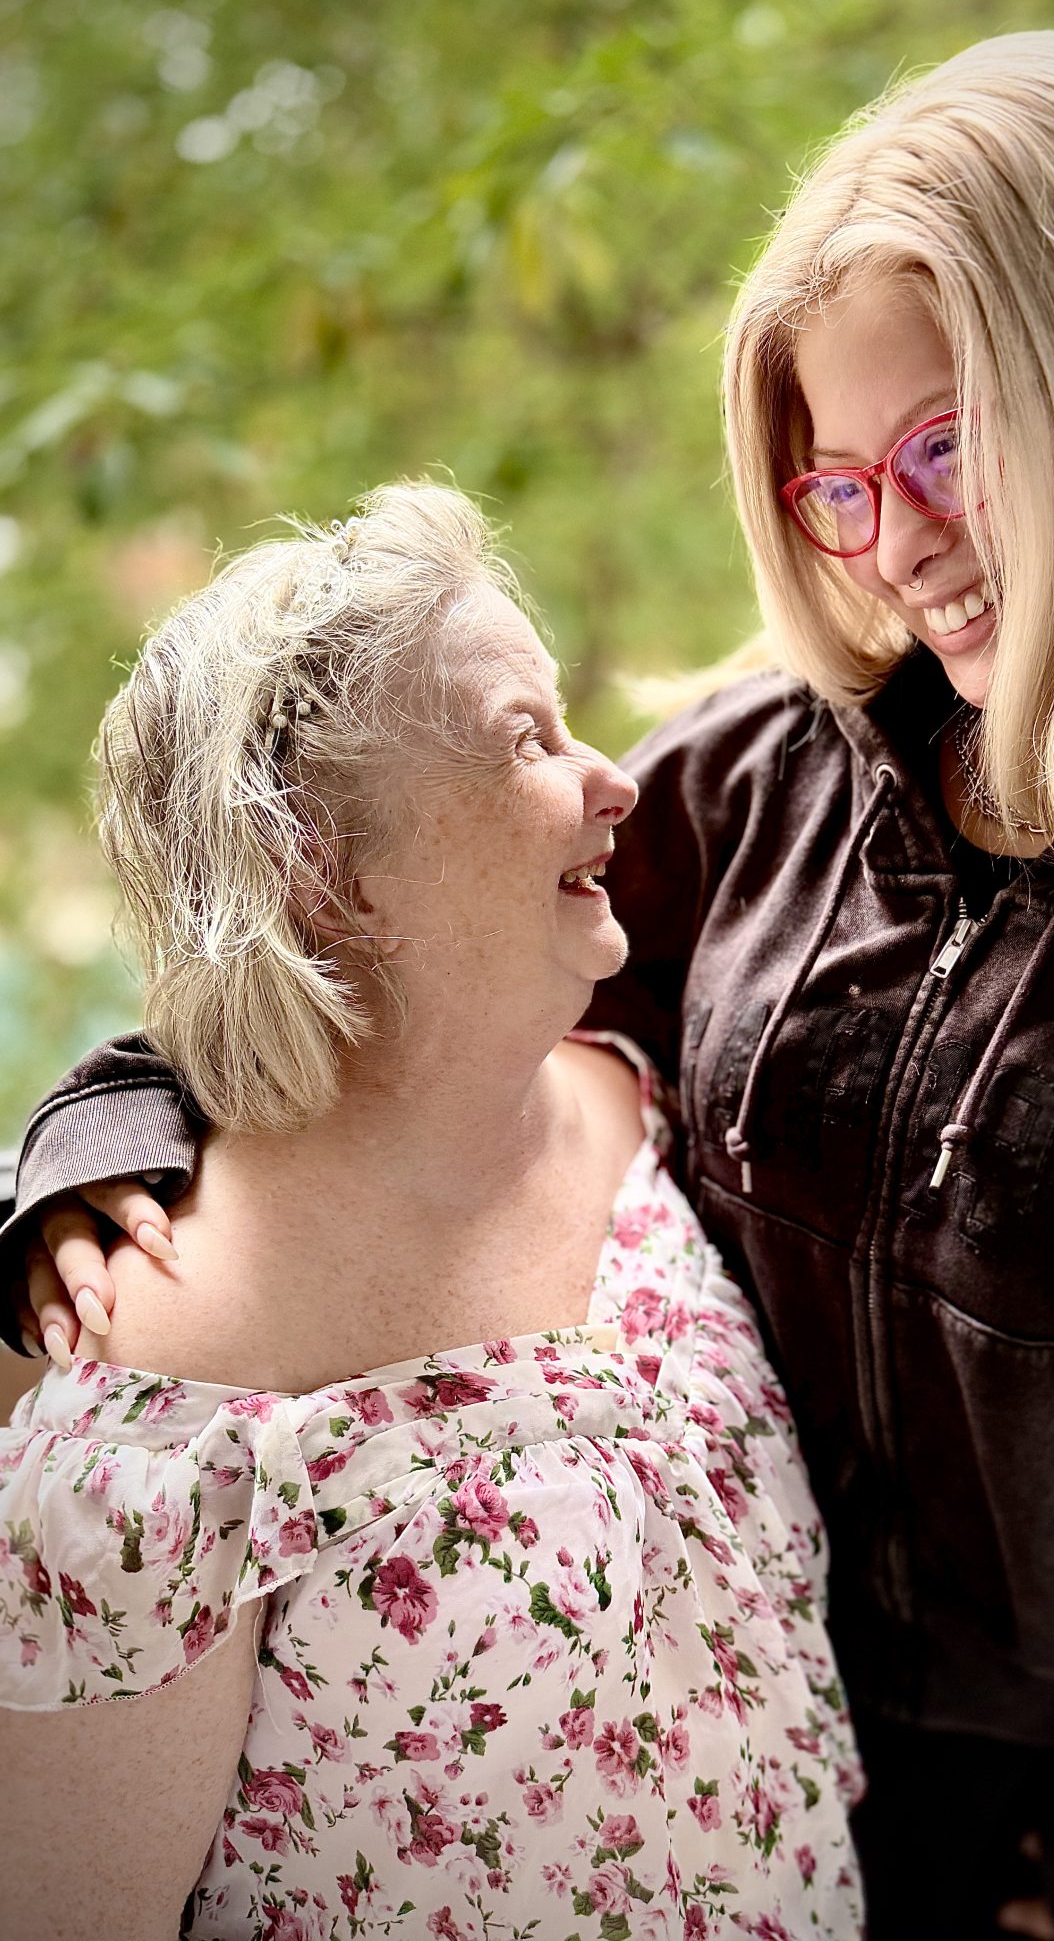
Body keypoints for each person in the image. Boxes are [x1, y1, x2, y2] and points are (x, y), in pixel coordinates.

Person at [7, 29, 1054, 1941]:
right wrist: (109, 1130)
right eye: (833, 484)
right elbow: (370, 972)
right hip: (740, 1802)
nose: (895, 551)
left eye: (948, 447)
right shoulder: (776, 764)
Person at [0, 484, 863, 1940]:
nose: (616, 781)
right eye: (526, 738)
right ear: (327, 874)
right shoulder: (153, 1394)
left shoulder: (636, 1106)